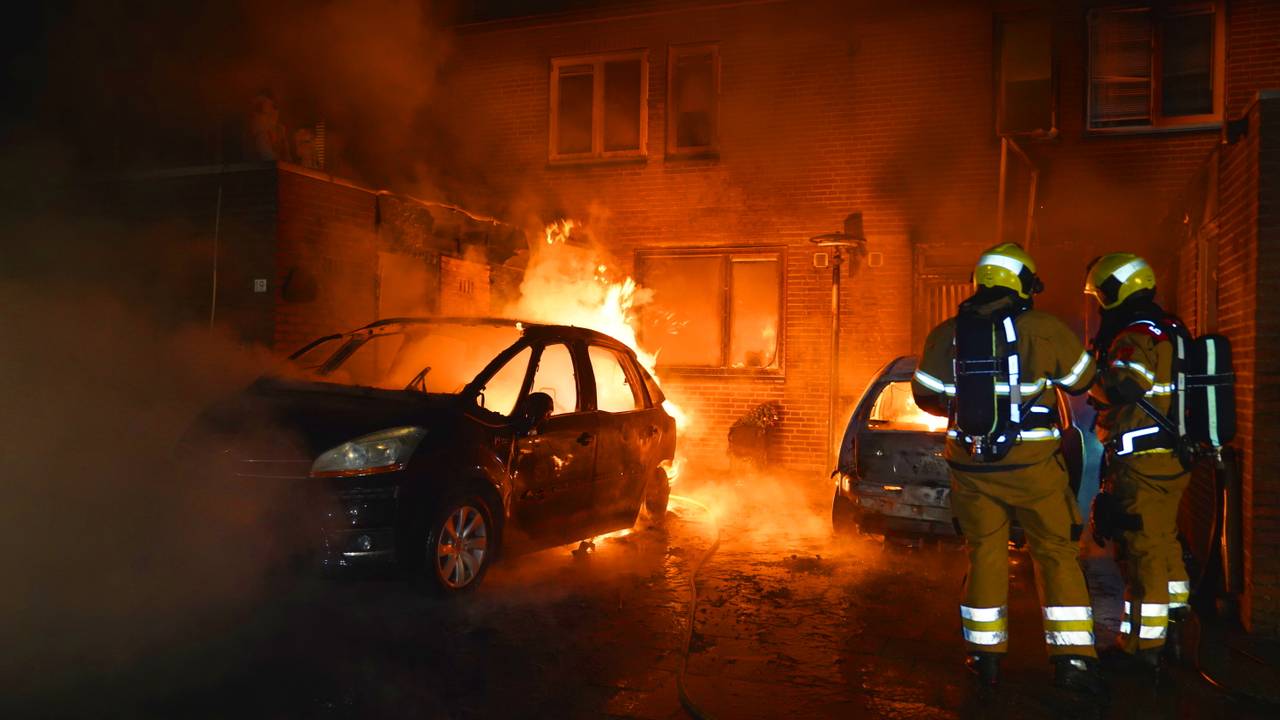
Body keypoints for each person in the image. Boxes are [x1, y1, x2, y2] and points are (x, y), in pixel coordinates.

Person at [913, 242, 1102, 694]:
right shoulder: (1045, 328)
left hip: (972, 468)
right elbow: (1083, 381)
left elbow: (926, 396)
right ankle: (1072, 662)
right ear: (1023, 283)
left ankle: (985, 659)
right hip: (1035, 468)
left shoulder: (947, 332)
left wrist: (972, 410)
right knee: (1056, 554)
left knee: (987, 555)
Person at [1084, 253, 1190, 672]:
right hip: (1170, 456)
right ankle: (1177, 620)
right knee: (1163, 541)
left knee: (1143, 549)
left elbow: (1125, 385)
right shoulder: (1168, 327)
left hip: (1145, 460)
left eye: (1102, 294)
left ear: (1116, 291)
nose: (1099, 304)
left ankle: (1142, 649)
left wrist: (1089, 380)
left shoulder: (1134, 333)